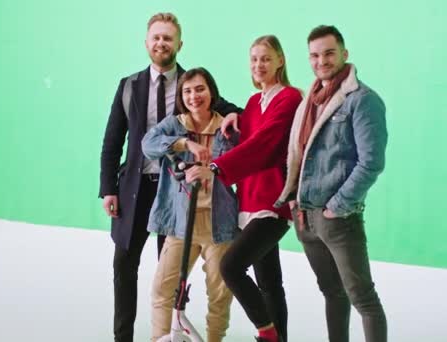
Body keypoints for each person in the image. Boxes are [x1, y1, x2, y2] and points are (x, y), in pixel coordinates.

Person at [99, 12, 240, 342]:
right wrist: (109, 188)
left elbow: (226, 113)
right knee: (124, 265)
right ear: (147, 42)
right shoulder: (129, 86)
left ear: (179, 44)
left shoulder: (192, 84)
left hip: (178, 192)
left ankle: (173, 334)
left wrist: (235, 114)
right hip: (135, 189)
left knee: (174, 274)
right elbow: (113, 139)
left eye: (168, 38)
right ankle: (124, 336)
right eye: (156, 37)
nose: (161, 43)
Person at [275, 25, 388, 342]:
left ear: (344, 54)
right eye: (314, 55)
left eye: (328, 53)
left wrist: (337, 207)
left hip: (338, 219)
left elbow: (371, 162)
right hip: (306, 217)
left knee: (363, 298)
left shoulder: (362, 101)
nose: (321, 61)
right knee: (332, 293)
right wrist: (296, 199)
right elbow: (300, 152)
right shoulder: (310, 100)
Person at [210, 35, 303, 342]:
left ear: (281, 60)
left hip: (273, 202)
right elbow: (247, 137)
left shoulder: (290, 98)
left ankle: (267, 333)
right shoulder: (252, 103)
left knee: (231, 267)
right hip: (247, 202)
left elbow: (265, 145)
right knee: (269, 283)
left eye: (265, 58)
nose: (259, 65)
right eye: (254, 59)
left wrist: (218, 166)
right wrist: (236, 116)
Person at [142, 67, 238, 342]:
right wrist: (185, 144)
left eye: (200, 89)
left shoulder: (227, 127)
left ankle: (214, 339)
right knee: (163, 288)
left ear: (211, 92)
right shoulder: (174, 124)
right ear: (181, 96)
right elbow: (148, 144)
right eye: (187, 91)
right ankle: (161, 339)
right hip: (181, 222)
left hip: (219, 223)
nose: (194, 96)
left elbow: (244, 160)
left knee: (219, 293)